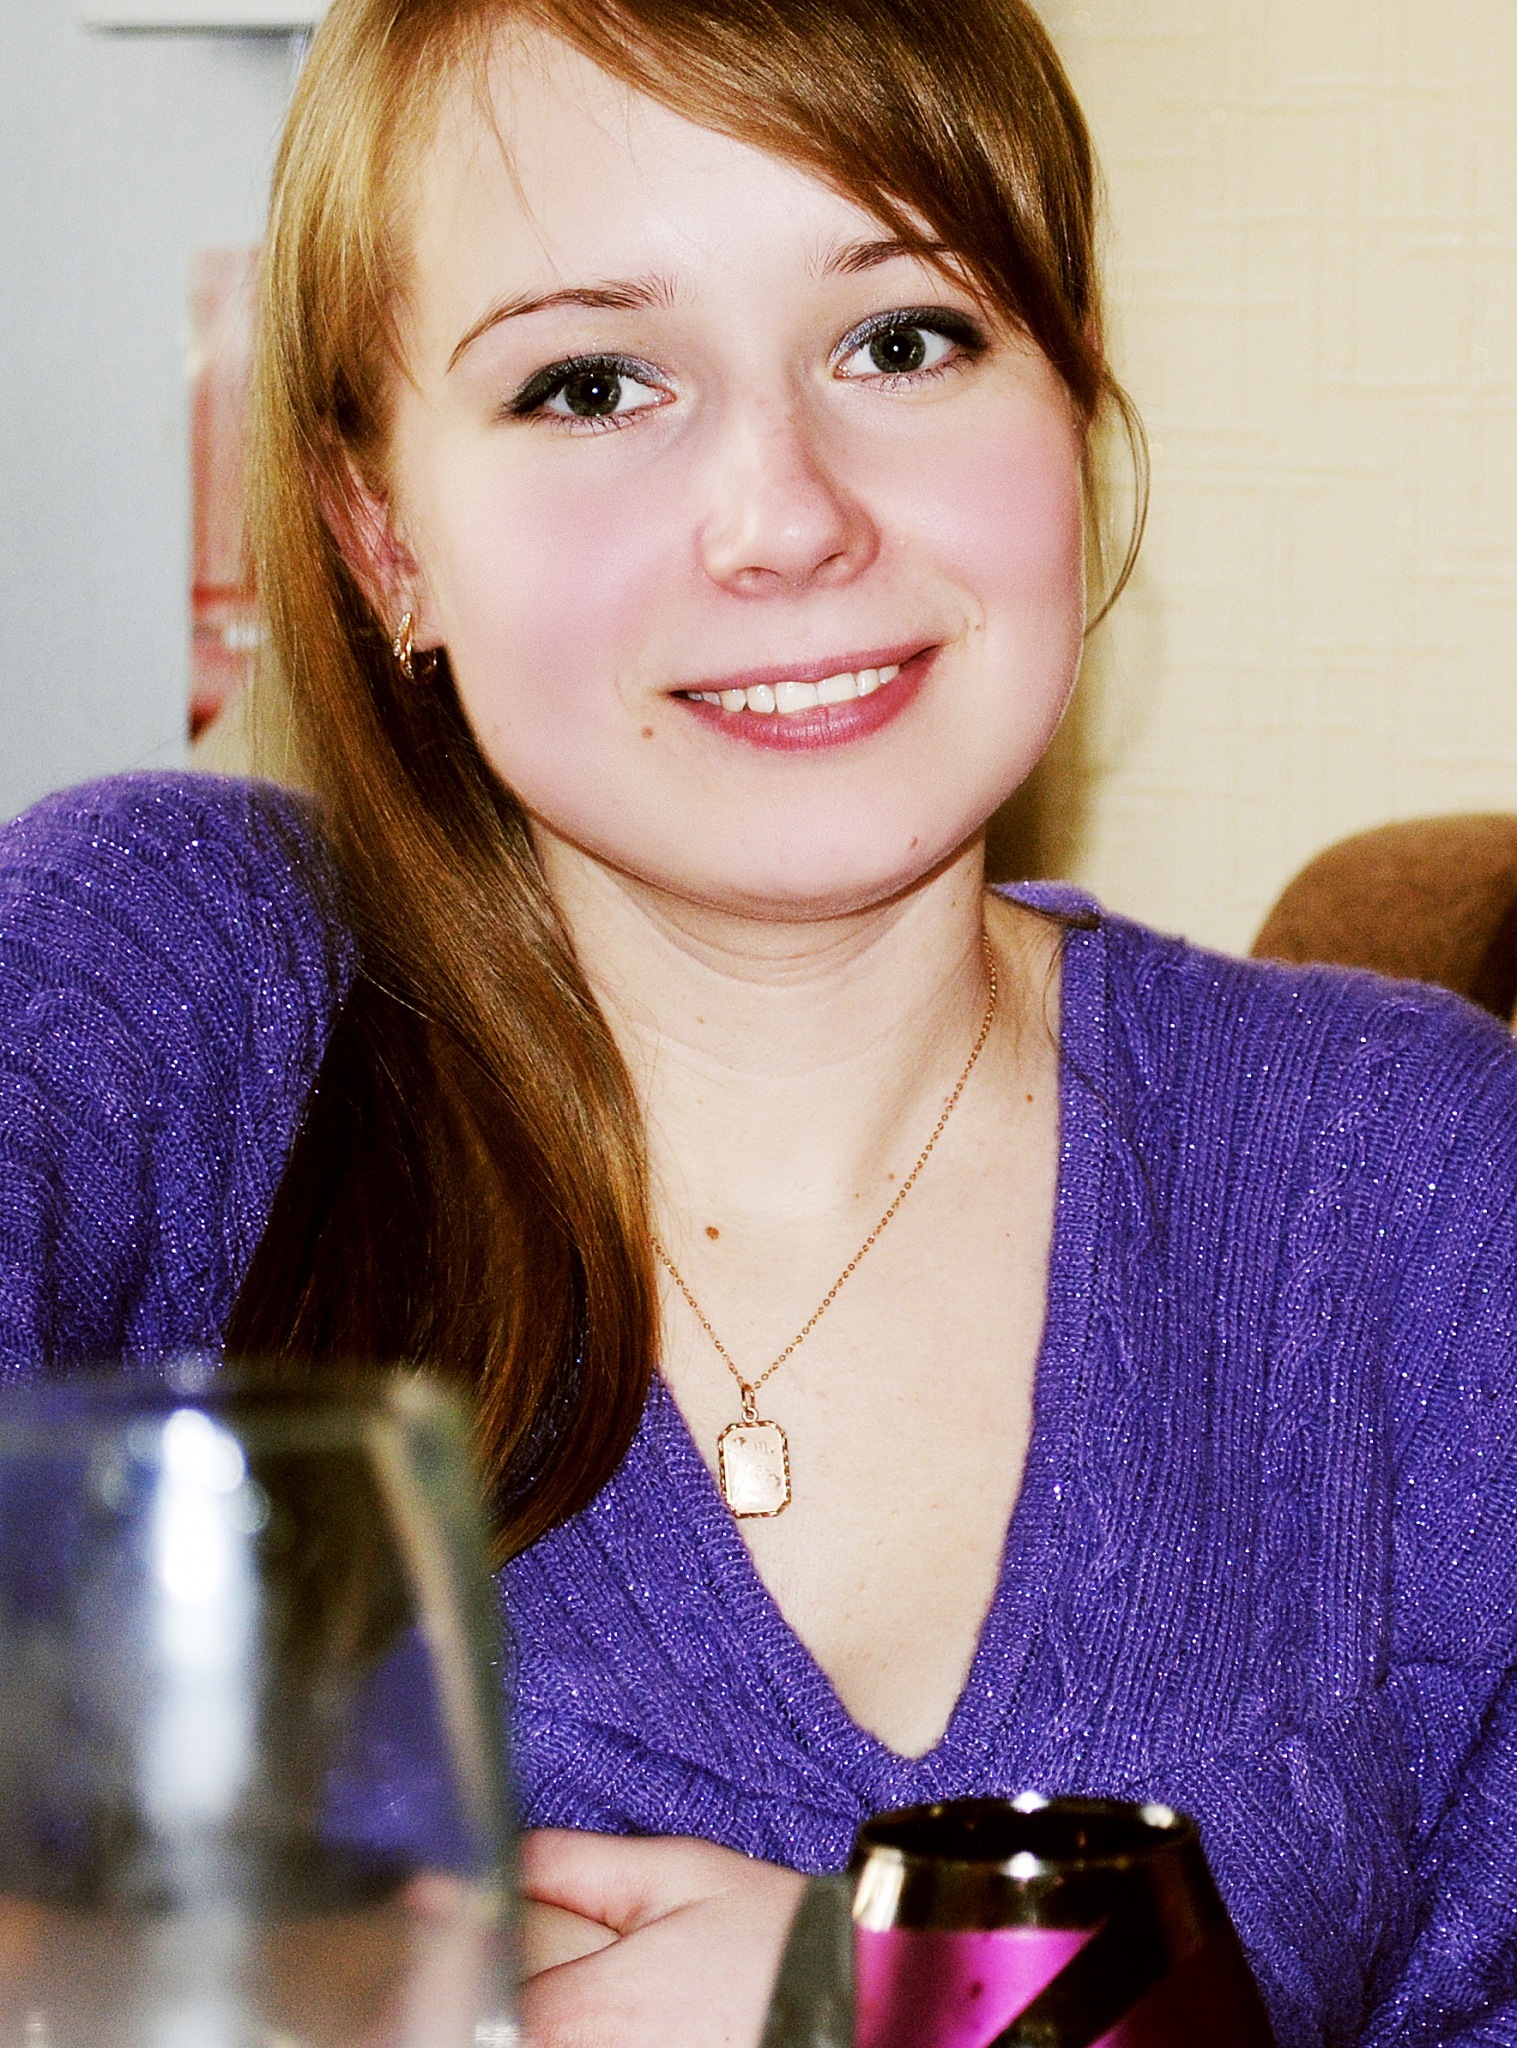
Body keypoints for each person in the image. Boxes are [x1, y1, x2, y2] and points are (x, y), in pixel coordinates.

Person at [2, 0, 1516, 2042]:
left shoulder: (1422, 1188)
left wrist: (922, 2012)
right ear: (382, 541)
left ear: (1070, 399)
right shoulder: (160, 1003)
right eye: (590, 383)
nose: (787, 516)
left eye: (903, 340)